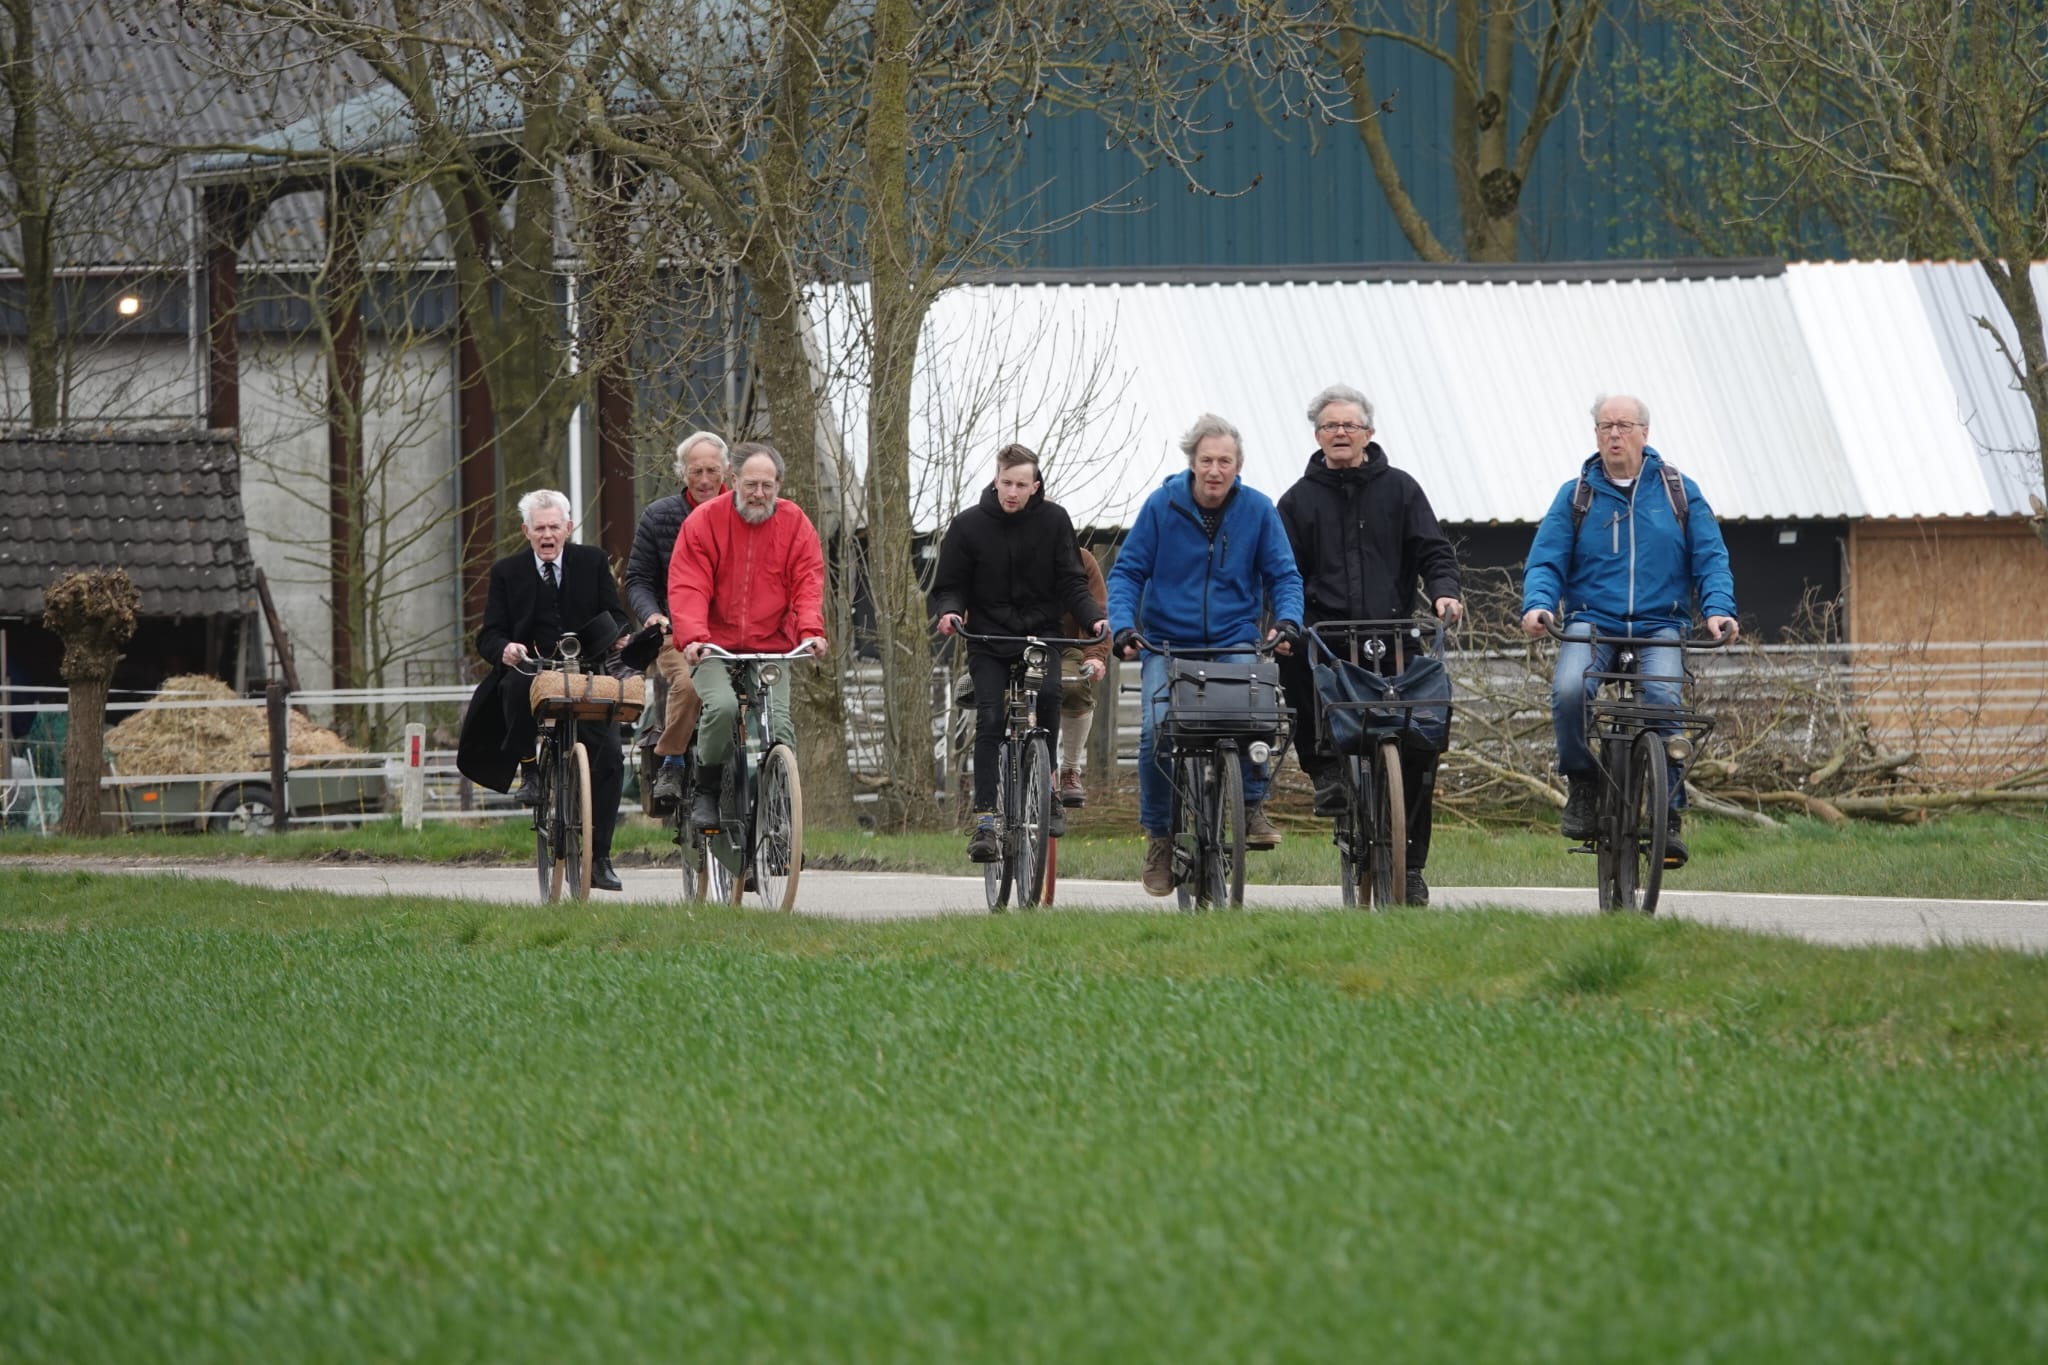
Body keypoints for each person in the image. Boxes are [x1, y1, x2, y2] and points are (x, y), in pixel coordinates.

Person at [1520, 393, 1738, 869]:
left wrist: (1718, 610)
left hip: (1660, 623)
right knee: (1570, 689)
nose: (1614, 434)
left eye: (1623, 425)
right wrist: (1538, 605)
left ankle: (1668, 814)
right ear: (1596, 434)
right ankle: (1583, 783)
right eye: (1605, 426)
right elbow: (1546, 561)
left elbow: (1710, 559)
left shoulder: (1679, 491)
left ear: (1644, 432)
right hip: (1593, 621)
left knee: (1662, 698)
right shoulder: (1576, 495)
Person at [1276, 384, 1464, 906]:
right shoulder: (1295, 501)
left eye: (1350, 425)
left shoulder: (1401, 490)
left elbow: (1435, 552)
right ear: (1317, 436)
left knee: (1421, 740)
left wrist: (1445, 593)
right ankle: (1325, 771)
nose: (1340, 432)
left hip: (1393, 637)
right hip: (1327, 641)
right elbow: (1281, 571)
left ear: (1369, 433)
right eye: (1330, 426)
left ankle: (1411, 866)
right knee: (1293, 665)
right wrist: (1285, 625)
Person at [1107, 413, 1304, 897]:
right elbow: (1127, 572)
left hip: (1234, 638)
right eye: (1207, 460)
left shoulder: (1258, 510)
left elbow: (1284, 575)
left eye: (1225, 461)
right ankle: (1159, 838)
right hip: (1167, 643)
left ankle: (1251, 806)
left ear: (1239, 466)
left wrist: (1287, 622)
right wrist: (1124, 626)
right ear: (1192, 462)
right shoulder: (1161, 506)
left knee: (1257, 712)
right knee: (1156, 730)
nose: (1215, 470)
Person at [930, 444, 1107, 862]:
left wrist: (1093, 619)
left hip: (1040, 636)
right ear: (996, 480)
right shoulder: (968, 526)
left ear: (1035, 486)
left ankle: (1047, 788)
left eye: (1021, 485)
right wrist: (950, 611)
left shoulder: (1055, 521)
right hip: (988, 638)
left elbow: (1073, 581)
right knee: (991, 717)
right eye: (1006, 483)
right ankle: (985, 822)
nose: (1012, 492)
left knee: (1049, 696)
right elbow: (949, 585)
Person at [459, 489, 635, 891]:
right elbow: (489, 634)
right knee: (515, 687)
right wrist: (506, 649)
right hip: (531, 668)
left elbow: (616, 615)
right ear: (526, 532)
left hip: (585, 671)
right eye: (539, 528)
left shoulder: (592, 561)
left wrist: (619, 636)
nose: (547, 535)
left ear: (568, 528)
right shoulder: (507, 572)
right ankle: (531, 770)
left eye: (554, 527)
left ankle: (599, 858)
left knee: (610, 757)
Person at [668, 441, 829, 832]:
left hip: (771, 643)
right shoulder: (705, 522)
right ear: (734, 479)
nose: (759, 494)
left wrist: (810, 631)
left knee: (780, 724)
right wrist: (694, 637)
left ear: (779, 485)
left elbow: (807, 582)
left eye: (767, 486)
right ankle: (706, 789)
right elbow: (689, 585)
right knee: (723, 707)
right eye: (751, 484)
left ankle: (780, 814)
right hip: (713, 643)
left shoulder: (795, 524)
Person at [626, 430, 730, 813]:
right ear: (682, 472)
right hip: (677, 632)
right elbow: (638, 578)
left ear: (726, 471)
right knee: (690, 683)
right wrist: (652, 614)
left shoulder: (743, 514)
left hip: (733, 633)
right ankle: (672, 759)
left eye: (712, 470)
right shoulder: (659, 517)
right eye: (695, 470)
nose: (704, 479)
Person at [1056, 543, 1112, 807]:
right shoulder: (1002, 549)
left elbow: (1098, 610)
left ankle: (1070, 769)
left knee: (1075, 686)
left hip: (1067, 646)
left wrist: (1094, 655)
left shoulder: (1081, 559)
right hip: (1014, 643)